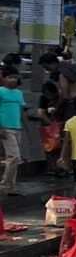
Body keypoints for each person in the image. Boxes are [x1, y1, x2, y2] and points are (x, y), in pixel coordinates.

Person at [0, 69, 23, 197]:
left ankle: (11, 187)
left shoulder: (19, 93)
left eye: (15, 77)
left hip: (17, 127)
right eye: (10, 77)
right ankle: (4, 185)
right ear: (4, 78)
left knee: (13, 159)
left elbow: (21, 110)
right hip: (5, 127)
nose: (13, 79)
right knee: (14, 157)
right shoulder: (0, 91)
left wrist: (23, 126)